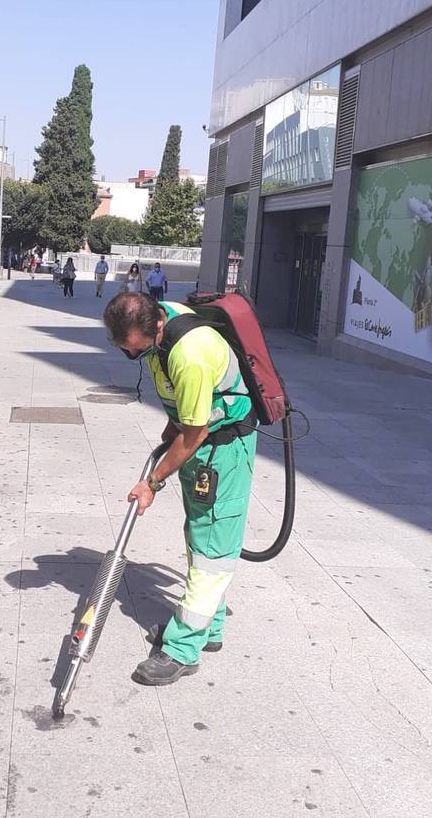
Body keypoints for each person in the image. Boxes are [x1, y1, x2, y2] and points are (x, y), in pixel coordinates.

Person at [102, 292, 257, 686]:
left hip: (222, 448)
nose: (132, 355)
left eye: (135, 350)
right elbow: (184, 415)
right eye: (126, 351)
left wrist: (152, 482)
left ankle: (183, 649)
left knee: (213, 548)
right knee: (199, 533)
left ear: (155, 326)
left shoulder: (189, 353)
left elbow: (195, 431)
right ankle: (210, 627)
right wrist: (170, 431)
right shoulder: (161, 320)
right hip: (202, 444)